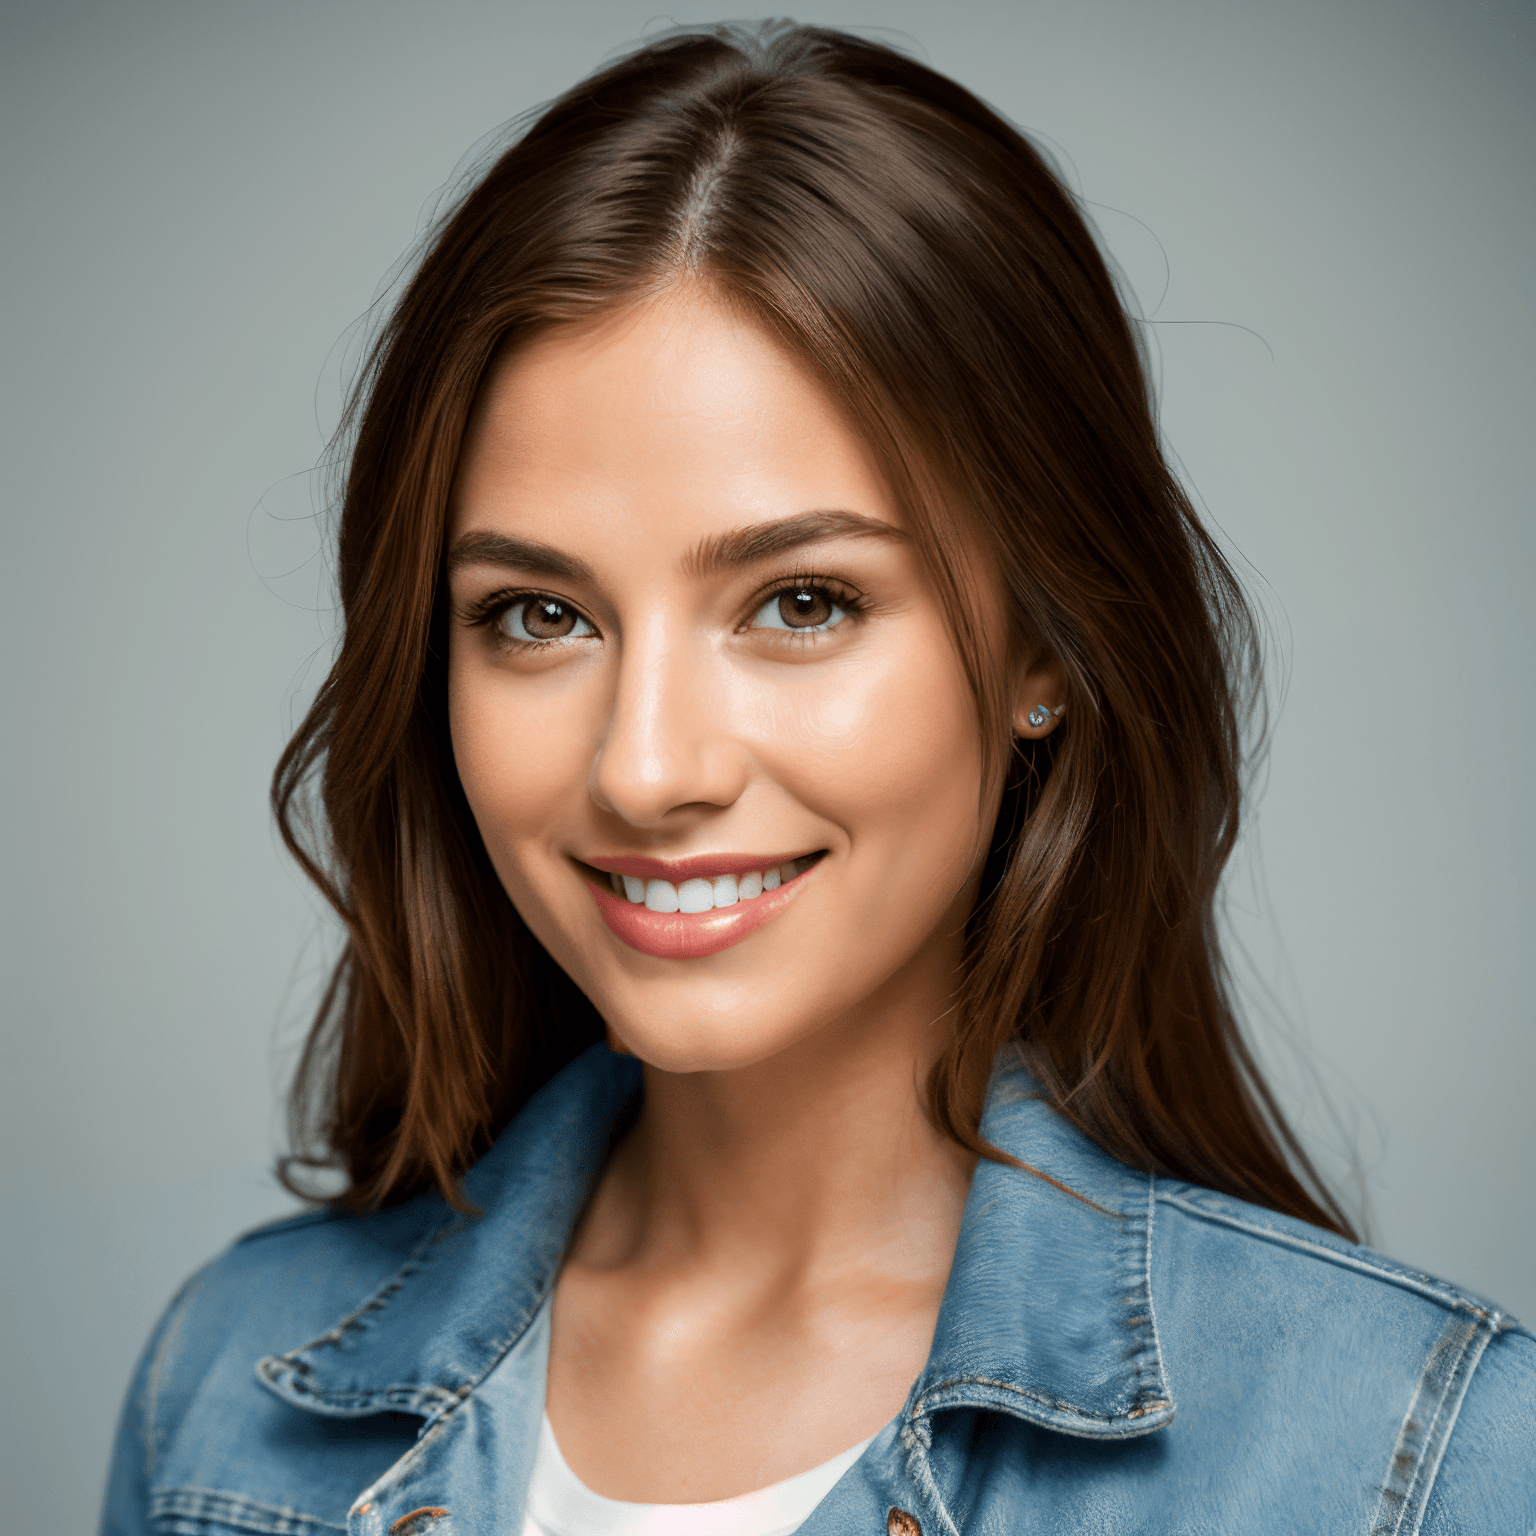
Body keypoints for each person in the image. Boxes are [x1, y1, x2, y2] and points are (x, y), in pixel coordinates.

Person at [101, 21, 1534, 1536]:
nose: (646, 767)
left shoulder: (1412, 1456)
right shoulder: (228, 1398)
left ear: (1048, 643)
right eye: (540, 615)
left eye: (802, 603)